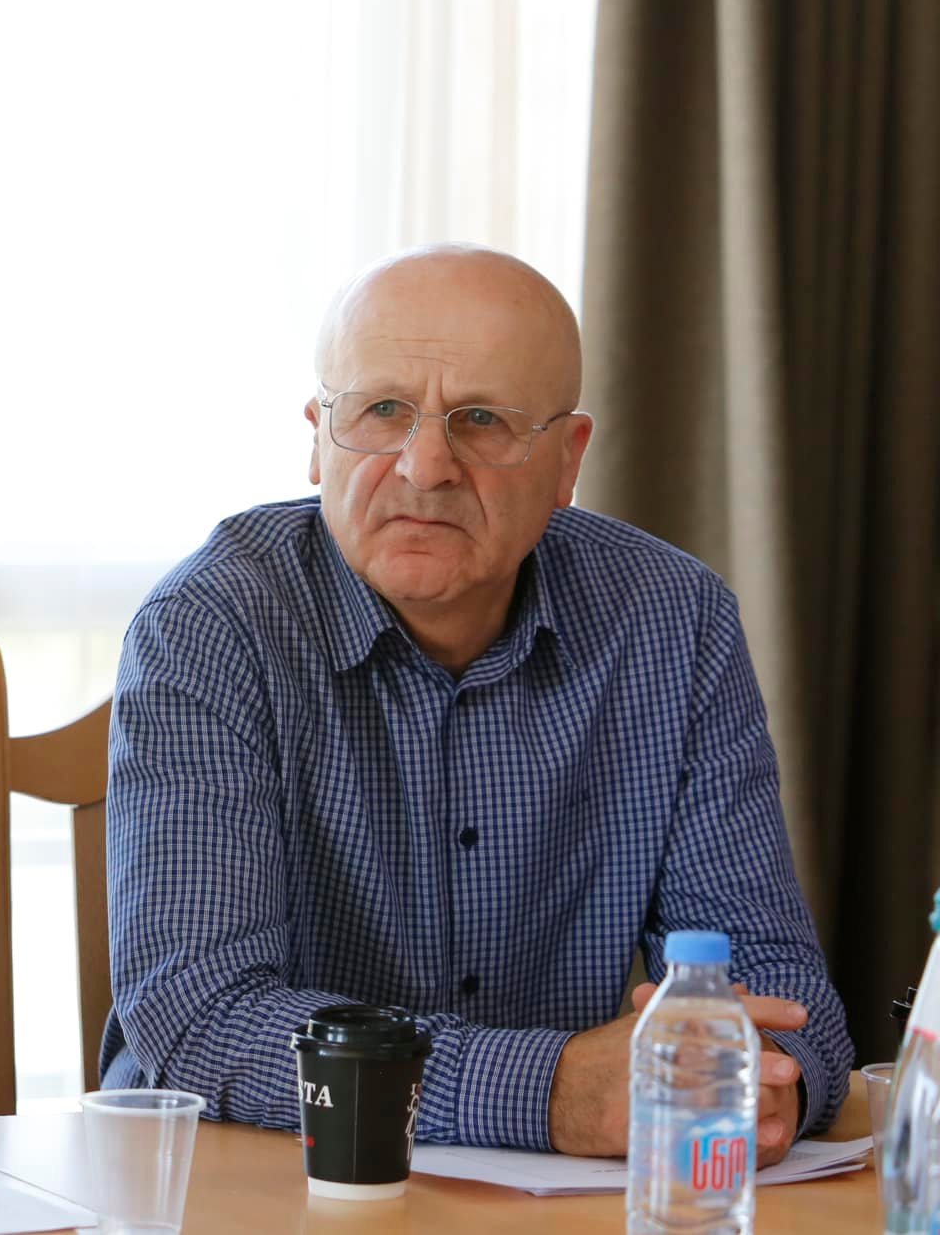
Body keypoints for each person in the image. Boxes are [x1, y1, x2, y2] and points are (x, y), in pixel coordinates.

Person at [100, 243, 853, 1162]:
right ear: (317, 437)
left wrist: (759, 1081)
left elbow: (775, 986)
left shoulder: (674, 620)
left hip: (561, 1202)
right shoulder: (210, 624)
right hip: (262, 1181)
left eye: (483, 421)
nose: (425, 466)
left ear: (568, 459)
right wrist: (556, 1093)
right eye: (382, 411)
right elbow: (199, 1018)